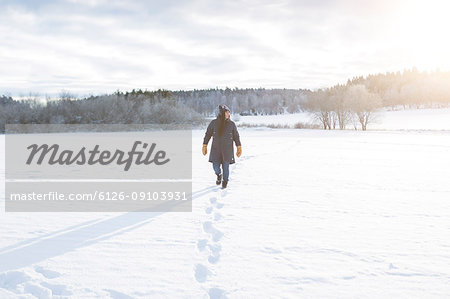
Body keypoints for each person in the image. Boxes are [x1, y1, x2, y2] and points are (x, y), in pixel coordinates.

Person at [202, 105, 242, 189]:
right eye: (226, 112)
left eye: (229, 113)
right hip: (216, 149)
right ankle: (218, 174)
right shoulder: (214, 123)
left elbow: (236, 136)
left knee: (226, 167)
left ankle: (225, 181)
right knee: (215, 166)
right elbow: (208, 134)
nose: (228, 114)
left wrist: (239, 146)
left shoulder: (231, 124)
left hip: (227, 150)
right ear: (222, 113)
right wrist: (205, 144)